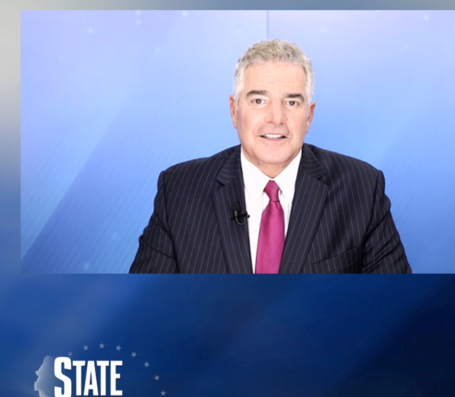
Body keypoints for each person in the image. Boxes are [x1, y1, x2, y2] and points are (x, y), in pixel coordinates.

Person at [130, 40, 410, 274]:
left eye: (291, 102)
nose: (276, 118)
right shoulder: (179, 189)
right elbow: (144, 307)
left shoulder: (362, 188)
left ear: (309, 116)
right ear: (234, 111)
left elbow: (396, 307)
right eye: (258, 101)